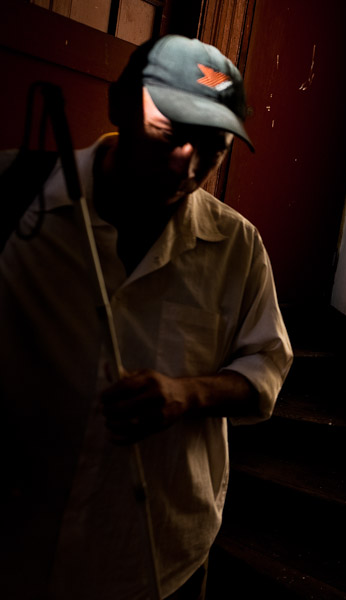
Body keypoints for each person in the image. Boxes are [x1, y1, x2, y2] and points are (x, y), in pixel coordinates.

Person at [0, 35, 293, 599]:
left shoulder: (236, 245)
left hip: (155, 561)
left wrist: (189, 395)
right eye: (170, 134)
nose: (188, 164)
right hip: (12, 548)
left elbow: (265, 375)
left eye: (214, 146)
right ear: (118, 105)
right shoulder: (13, 196)